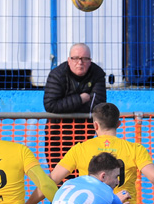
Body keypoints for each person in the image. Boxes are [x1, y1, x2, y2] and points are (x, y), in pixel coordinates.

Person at [42, 43, 107, 171]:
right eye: (75, 58)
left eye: (84, 59)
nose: (80, 62)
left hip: (84, 137)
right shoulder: (57, 74)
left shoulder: (97, 74)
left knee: (82, 175)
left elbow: (97, 105)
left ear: (90, 61)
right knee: (58, 178)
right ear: (69, 60)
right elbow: (50, 105)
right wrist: (80, 99)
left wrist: (66, 105)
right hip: (57, 138)